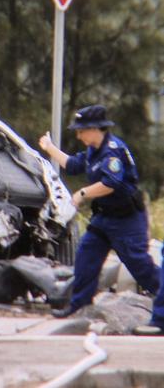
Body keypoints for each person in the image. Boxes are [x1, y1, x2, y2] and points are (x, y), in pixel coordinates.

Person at [39, 104, 160, 318]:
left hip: (127, 220)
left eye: (81, 130)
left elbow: (111, 183)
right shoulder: (93, 150)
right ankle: (79, 305)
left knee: (140, 267)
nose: (78, 135)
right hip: (104, 217)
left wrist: (82, 194)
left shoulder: (112, 150)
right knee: (86, 256)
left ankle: (162, 299)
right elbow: (74, 164)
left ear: (95, 129)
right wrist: (49, 147)